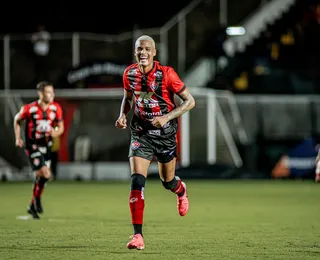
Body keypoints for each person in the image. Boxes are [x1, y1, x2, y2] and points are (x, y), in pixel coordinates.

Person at [115, 35, 195, 250]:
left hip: (166, 134)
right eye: (139, 49)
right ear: (135, 52)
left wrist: (166, 117)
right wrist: (123, 115)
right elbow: (129, 99)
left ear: (154, 52)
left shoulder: (167, 74)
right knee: (136, 182)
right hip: (140, 132)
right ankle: (138, 236)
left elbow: (190, 101)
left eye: (147, 49)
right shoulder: (129, 73)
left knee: (167, 181)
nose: (143, 52)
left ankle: (180, 190)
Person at [13, 81, 64, 219]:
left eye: (52, 91)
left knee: (41, 178)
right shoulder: (29, 109)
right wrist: (18, 138)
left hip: (47, 147)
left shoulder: (56, 108)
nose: (52, 94)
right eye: (48, 92)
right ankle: (37, 201)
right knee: (46, 174)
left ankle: (31, 206)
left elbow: (61, 127)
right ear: (41, 93)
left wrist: (55, 132)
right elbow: (17, 120)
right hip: (33, 146)